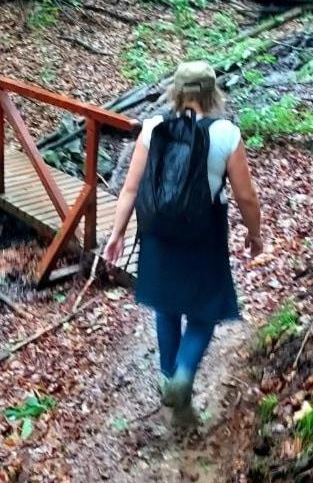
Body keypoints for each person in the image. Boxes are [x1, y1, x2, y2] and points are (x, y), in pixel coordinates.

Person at [103, 60, 263, 421]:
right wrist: (255, 235)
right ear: (212, 93)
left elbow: (130, 188)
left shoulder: (154, 128)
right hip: (203, 232)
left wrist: (116, 235)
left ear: (175, 92)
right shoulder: (225, 134)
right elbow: (246, 197)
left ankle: (168, 379)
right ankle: (184, 373)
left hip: (159, 229)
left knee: (167, 305)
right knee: (206, 308)